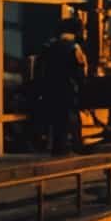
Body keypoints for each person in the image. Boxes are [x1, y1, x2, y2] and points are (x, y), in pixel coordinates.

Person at [36, 17, 88, 155]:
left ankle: (56, 147)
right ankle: (74, 146)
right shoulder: (74, 48)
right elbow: (79, 71)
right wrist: (82, 87)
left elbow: (39, 67)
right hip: (68, 89)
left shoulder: (48, 46)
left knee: (56, 119)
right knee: (70, 119)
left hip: (50, 88)